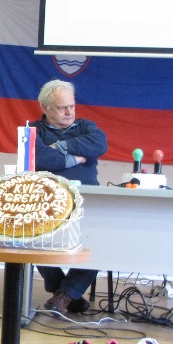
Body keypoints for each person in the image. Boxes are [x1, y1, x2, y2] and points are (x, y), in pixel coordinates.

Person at [28, 79, 108, 314]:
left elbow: (99, 144)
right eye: (63, 108)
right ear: (45, 108)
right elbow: (40, 158)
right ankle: (65, 293)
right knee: (32, 238)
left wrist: (60, 147)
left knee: (101, 242)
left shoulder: (86, 127)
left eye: (72, 106)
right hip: (46, 201)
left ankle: (65, 294)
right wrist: (76, 158)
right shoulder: (33, 130)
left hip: (86, 201)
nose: (70, 112)